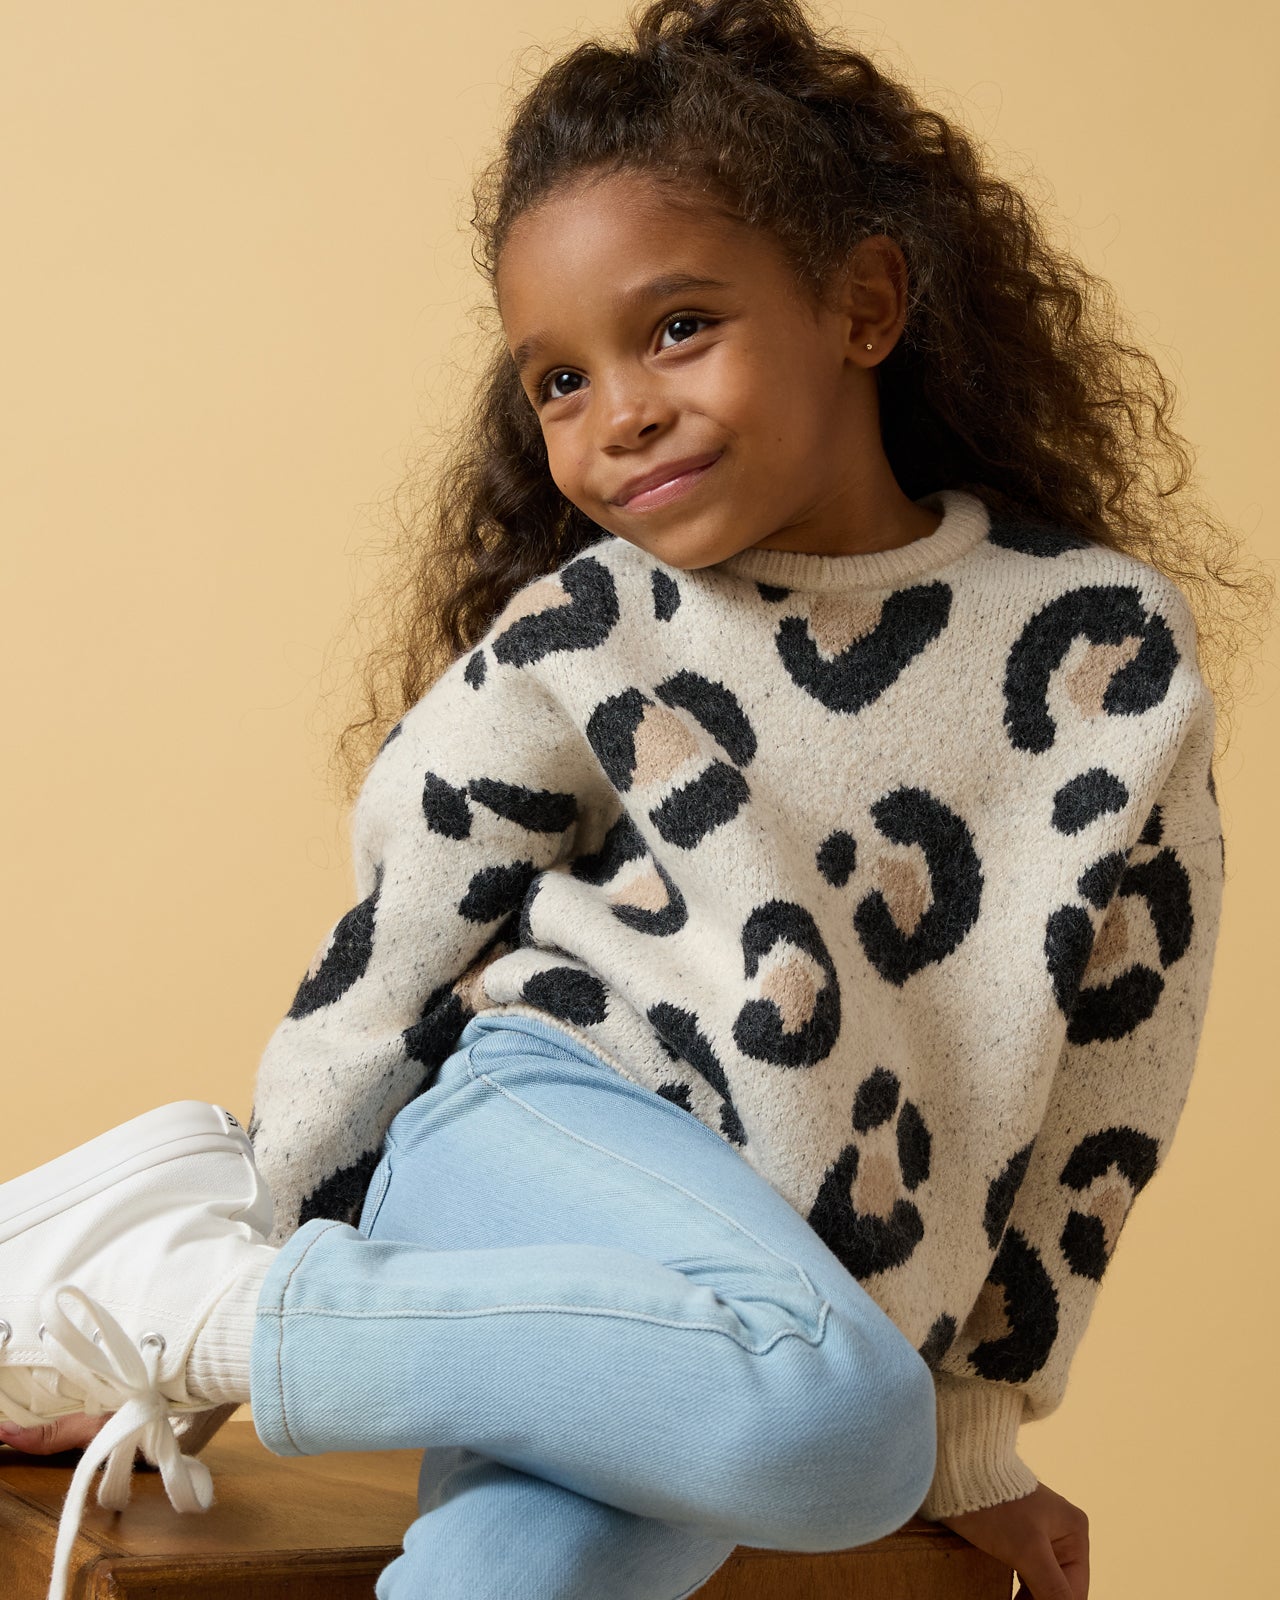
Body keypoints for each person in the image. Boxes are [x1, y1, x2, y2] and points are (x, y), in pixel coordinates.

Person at [2, 2, 1262, 1597]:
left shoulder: (1107, 656)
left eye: (676, 329)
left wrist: (978, 1429)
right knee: (840, 1426)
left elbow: (1111, 1075)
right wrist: (255, 1245)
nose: (617, 417)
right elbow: (397, 940)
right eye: (556, 381)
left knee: (538, 1572)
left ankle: (245, 1314)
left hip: (753, 1301)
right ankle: (199, 1306)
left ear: (864, 301)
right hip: (532, 1122)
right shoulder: (594, 628)